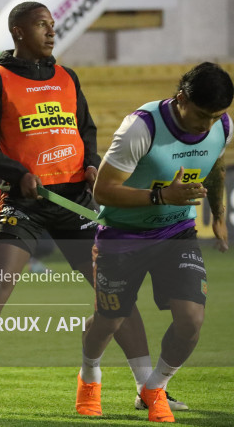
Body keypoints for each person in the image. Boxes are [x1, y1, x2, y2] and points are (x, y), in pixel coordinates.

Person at [0, 1, 178, 415]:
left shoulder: (68, 77)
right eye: (42, 25)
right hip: (25, 202)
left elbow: (85, 129)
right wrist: (18, 173)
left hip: (74, 200)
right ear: (18, 32)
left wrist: (92, 164)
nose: (51, 32)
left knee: (115, 296)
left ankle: (149, 388)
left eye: (52, 25)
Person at [76, 63, 232, 422]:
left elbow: (217, 162)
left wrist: (218, 214)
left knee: (191, 319)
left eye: (217, 116)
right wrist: (162, 197)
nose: (208, 124)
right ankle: (89, 375)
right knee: (108, 321)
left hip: (176, 233)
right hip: (122, 236)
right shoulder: (141, 127)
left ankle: (153, 388)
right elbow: (103, 191)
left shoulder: (222, 127)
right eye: (202, 115)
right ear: (181, 99)